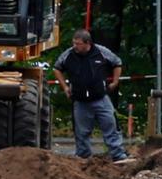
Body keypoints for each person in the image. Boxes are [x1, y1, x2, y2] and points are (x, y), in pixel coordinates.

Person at [53, 29, 130, 162]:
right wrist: (65, 87)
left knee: (110, 125)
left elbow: (117, 63)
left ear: (87, 43)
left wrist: (115, 81)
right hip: (80, 101)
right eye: (74, 43)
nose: (75, 46)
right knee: (81, 132)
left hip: (101, 98)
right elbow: (57, 68)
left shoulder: (101, 52)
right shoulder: (68, 55)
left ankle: (118, 154)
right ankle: (83, 156)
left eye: (78, 44)